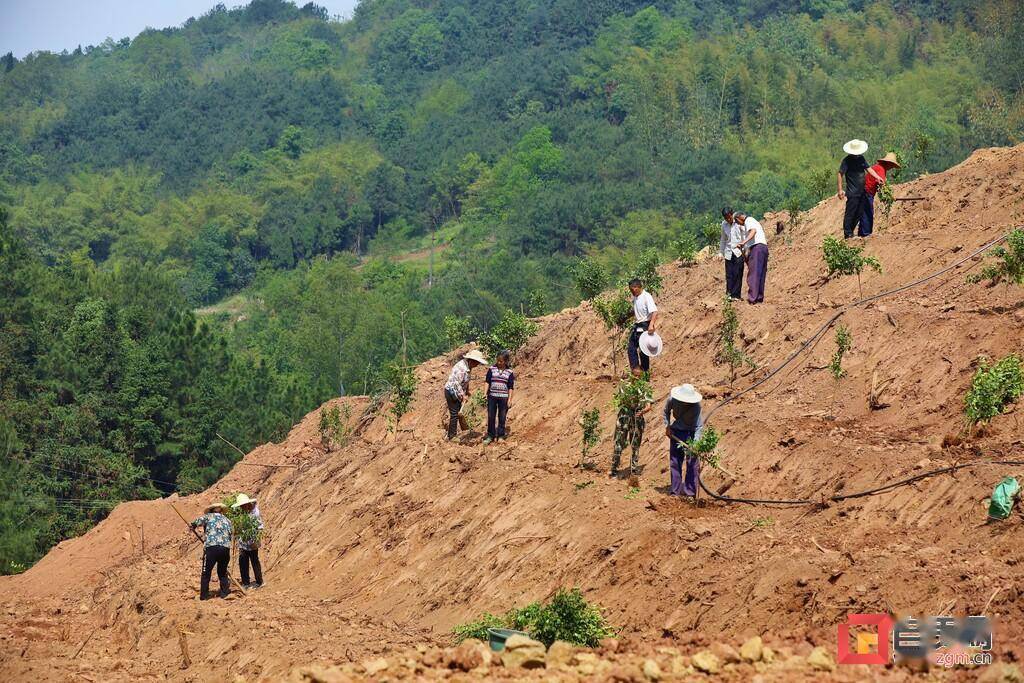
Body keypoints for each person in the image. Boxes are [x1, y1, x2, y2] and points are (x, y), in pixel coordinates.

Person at [837, 139, 885, 239]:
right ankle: (848, 233)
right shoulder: (847, 161)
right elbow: (840, 173)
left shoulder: (861, 159)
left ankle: (851, 232)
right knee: (850, 212)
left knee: (859, 213)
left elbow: (869, 169)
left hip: (862, 191)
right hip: (852, 192)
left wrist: (877, 177)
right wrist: (840, 189)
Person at [663, 383, 704, 498]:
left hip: (691, 434)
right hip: (676, 432)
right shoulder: (672, 400)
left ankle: (689, 493)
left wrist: (695, 444)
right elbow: (666, 412)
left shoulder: (696, 407)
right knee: (675, 462)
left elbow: (699, 427)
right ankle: (675, 492)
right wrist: (667, 427)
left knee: (692, 463)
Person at [611, 368, 653, 479]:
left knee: (635, 444)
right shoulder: (624, 386)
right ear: (631, 375)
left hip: (637, 418)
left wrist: (642, 411)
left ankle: (633, 471)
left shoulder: (644, 388)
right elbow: (619, 401)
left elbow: (649, 405)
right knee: (619, 442)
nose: (637, 379)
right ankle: (614, 469)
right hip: (624, 417)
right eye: (635, 376)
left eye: (639, 377)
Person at [191, 502, 233, 600]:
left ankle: (204, 596)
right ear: (221, 511)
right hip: (225, 548)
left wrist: (192, 526)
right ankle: (224, 593)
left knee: (206, 572)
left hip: (211, 548)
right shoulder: (227, 520)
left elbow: (196, 522)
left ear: (211, 510)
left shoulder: (208, 517)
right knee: (222, 571)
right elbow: (231, 534)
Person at [444, 349, 487, 439]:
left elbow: (465, 381)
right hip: (451, 391)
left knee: (456, 412)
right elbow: (457, 383)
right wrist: (463, 396)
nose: (477, 365)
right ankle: (451, 436)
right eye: (477, 363)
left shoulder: (468, 366)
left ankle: (454, 432)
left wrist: (467, 391)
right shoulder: (462, 369)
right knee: (454, 413)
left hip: (457, 391)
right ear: (472, 361)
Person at [734, 212, 769, 304]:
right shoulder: (754, 221)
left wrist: (743, 242)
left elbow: (753, 231)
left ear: (739, 218)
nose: (738, 224)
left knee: (754, 273)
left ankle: (752, 298)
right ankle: (759, 297)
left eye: (737, 222)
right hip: (763, 248)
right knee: (761, 273)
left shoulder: (748, 221)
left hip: (757, 248)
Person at [862, 152, 900, 235]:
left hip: (865, 191)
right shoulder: (881, 169)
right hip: (867, 192)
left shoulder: (878, 167)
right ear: (888, 163)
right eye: (892, 165)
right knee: (868, 213)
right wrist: (889, 196)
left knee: (865, 212)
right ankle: (866, 234)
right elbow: (881, 184)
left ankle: (863, 233)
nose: (892, 167)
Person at [232, 493, 264, 589]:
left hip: (253, 541)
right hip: (243, 542)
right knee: (243, 561)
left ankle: (259, 582)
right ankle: (246, 582)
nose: (242, 507)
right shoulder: (241, 513)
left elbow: (258, 526)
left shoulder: (255, 512)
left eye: (243, 505)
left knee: (254, 560)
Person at [627, 279, 658, 373]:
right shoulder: (636, 297)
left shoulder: (646, 296)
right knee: (631, 347)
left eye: (632, 289)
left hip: (645, 325)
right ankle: (636, 370)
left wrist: (651, 325)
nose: (631, 292)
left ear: (636, 287)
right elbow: (637, 311)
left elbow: (654, 311)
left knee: (643, 350)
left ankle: (644, 371)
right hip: (637, 325)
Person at [484, 350, 515, 443]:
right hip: (492, 397)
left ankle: (500, 436)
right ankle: (490, 436)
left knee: (502, 417)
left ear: (506, 361)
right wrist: (485, 393)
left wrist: (510, 399)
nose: (499, 363)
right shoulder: (491, 369)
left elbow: (511, 387)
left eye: (501, 361)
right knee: (491, 416)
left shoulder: (509, 372)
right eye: (498, 360)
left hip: (503, 398)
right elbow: (487, 382)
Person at [719, 207, 744, 300]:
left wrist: (745, 249)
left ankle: (736, 295)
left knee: (738, 273)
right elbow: (723, 239)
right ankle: (729, 295)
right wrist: (721, 252)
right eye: (726, 218)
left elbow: (744, 234)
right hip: (728, 251)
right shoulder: (724, 225)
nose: (728, 220)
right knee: (729, 274)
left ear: (732, 214)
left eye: (729, 217)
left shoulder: (738, 222)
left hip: (738, 251)